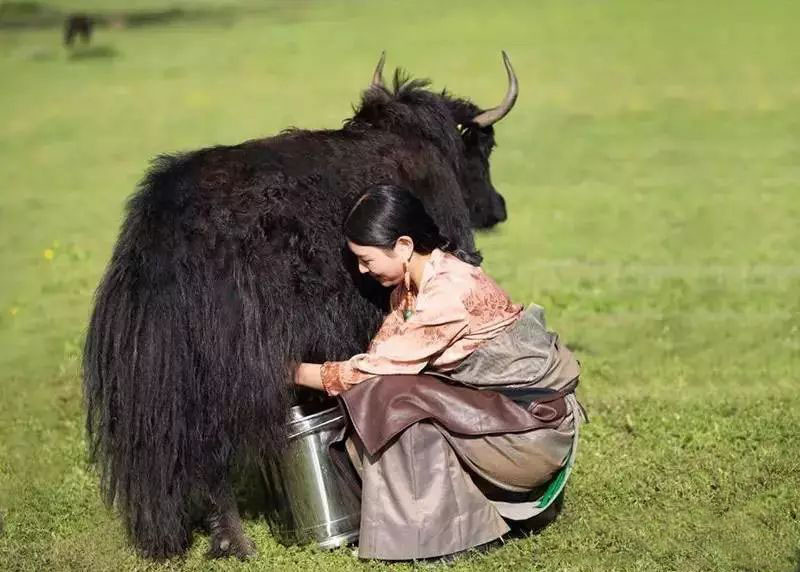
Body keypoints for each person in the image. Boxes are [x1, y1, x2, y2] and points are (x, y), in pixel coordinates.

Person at [294, 184, 586, 561]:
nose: (362, 270)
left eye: (366, 259)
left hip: (531, 438)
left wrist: (288, 371)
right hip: (504, 423)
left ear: (402, 245)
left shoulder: (447, 293)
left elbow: (368, 372)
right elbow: (382, 353)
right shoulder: (410, 290)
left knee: (387, 397)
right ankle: (445, 523)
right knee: (387, 393)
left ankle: (444, 537)